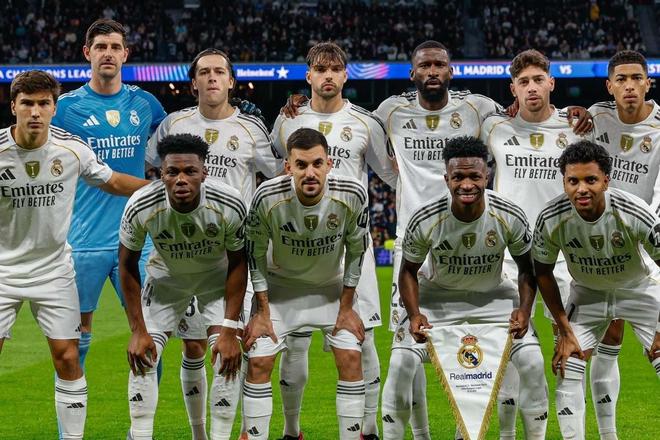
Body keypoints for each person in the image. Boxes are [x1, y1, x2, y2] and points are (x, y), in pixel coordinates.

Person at [0, 70, 149, 439]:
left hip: (53, 271)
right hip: (2, 272)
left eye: (43, 104)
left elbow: (112, 180)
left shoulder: (72, 149)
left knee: (68, 357)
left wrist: (158, 188)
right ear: (13, 107)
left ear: (54, 108)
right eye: (27, 103)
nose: (35, 111)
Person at [146, 48, 282, 440]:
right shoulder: (175, 123)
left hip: (232, 258)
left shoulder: (251, 129)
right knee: (192, 348)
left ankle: (231, 432)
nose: (211, 78)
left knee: (230, 344)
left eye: (219, 71)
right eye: (204, 72)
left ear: (231, 81)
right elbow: (152, 164)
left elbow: (276, 177)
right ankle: (199, 434)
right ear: (193, 82)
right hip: (184, 254)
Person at [381, 136, 547, 439]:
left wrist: (524, 310)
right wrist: (414, 314)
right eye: (458, 177)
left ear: (487, 176)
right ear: (447, 179)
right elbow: (408, 272)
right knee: (400, 363)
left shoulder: (509, 214)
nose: (466, 184)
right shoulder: (426, 217)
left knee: (533, 363)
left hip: (494, 299)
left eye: (474, 176)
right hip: (437, 299)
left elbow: (527, 269)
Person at [270, 42, 396, 440]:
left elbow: (393, 176)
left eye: (335, 69)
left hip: (350, 248)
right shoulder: (287, 120)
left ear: (345, 75)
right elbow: (273, 173)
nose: (328, 75)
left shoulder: (365, 122)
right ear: (308, 76)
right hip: (297, 246)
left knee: (364, 339)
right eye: (320, 69)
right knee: (295, 342)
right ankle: (291, 430)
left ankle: (369, 430)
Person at [481, 49, 595, 437]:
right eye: (523, 82)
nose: (531, 88)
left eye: (538, 80)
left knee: (573, 355)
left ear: (552, 83)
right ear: (513, 88)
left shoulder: (576, 127)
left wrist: (584, 112)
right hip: (510, 260)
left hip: (567, 258)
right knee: (511, 357)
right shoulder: (494, 127)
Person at [51, 19, 167, 370]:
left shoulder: (145, 103)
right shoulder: (65, 108)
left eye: (115, 47)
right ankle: (72, 410)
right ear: (87, 52)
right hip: (83, 238)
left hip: (138, 237)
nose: (108, 53)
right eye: (101, 47)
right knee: (75, 338)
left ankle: (143, 411)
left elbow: (176, 138)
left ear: (125, 54)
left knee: (150, 332)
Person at [243, 127, 369, 440]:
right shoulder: (267, 196)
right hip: (280, 290)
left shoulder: (352, 193)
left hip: (330, 288)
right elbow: (254, 254)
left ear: (329, 164)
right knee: (258, 361)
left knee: (351, 355)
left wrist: (347, 307)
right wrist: (261, 311)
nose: (310, 173)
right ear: (288, 167)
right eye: (301, 165)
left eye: (317, 164)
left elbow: (356, 251)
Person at [119, 133, 247, 440]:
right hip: (167, 279)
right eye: (172, 172)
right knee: (143, 355)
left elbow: (239, 263)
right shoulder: (141, 204)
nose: (180, 179)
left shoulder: (229, 202)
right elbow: (126, 264)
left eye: (190, 171)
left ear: (204, 173)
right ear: (160, 174)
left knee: (226, 356)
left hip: (215, 279)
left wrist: (229, 330)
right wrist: (137, 330)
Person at [533, 140, 660, 440]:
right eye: (572, 181)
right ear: (564, 182)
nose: (581, 189)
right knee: (568, 365)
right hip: (587, 294)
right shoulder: (551, 218)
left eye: (590, 180)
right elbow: (543, 273)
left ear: (606, 180)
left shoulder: (634, 211)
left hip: (638, 290)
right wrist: (564, 329)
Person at [588, 50, 660, 439]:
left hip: (650, 246)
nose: (629, 86)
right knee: (609, 336)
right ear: (609, 86)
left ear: (648, 83)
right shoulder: (595, 118)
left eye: (636, 78)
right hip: (601, 249)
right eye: (621, 79)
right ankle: (608, 435)